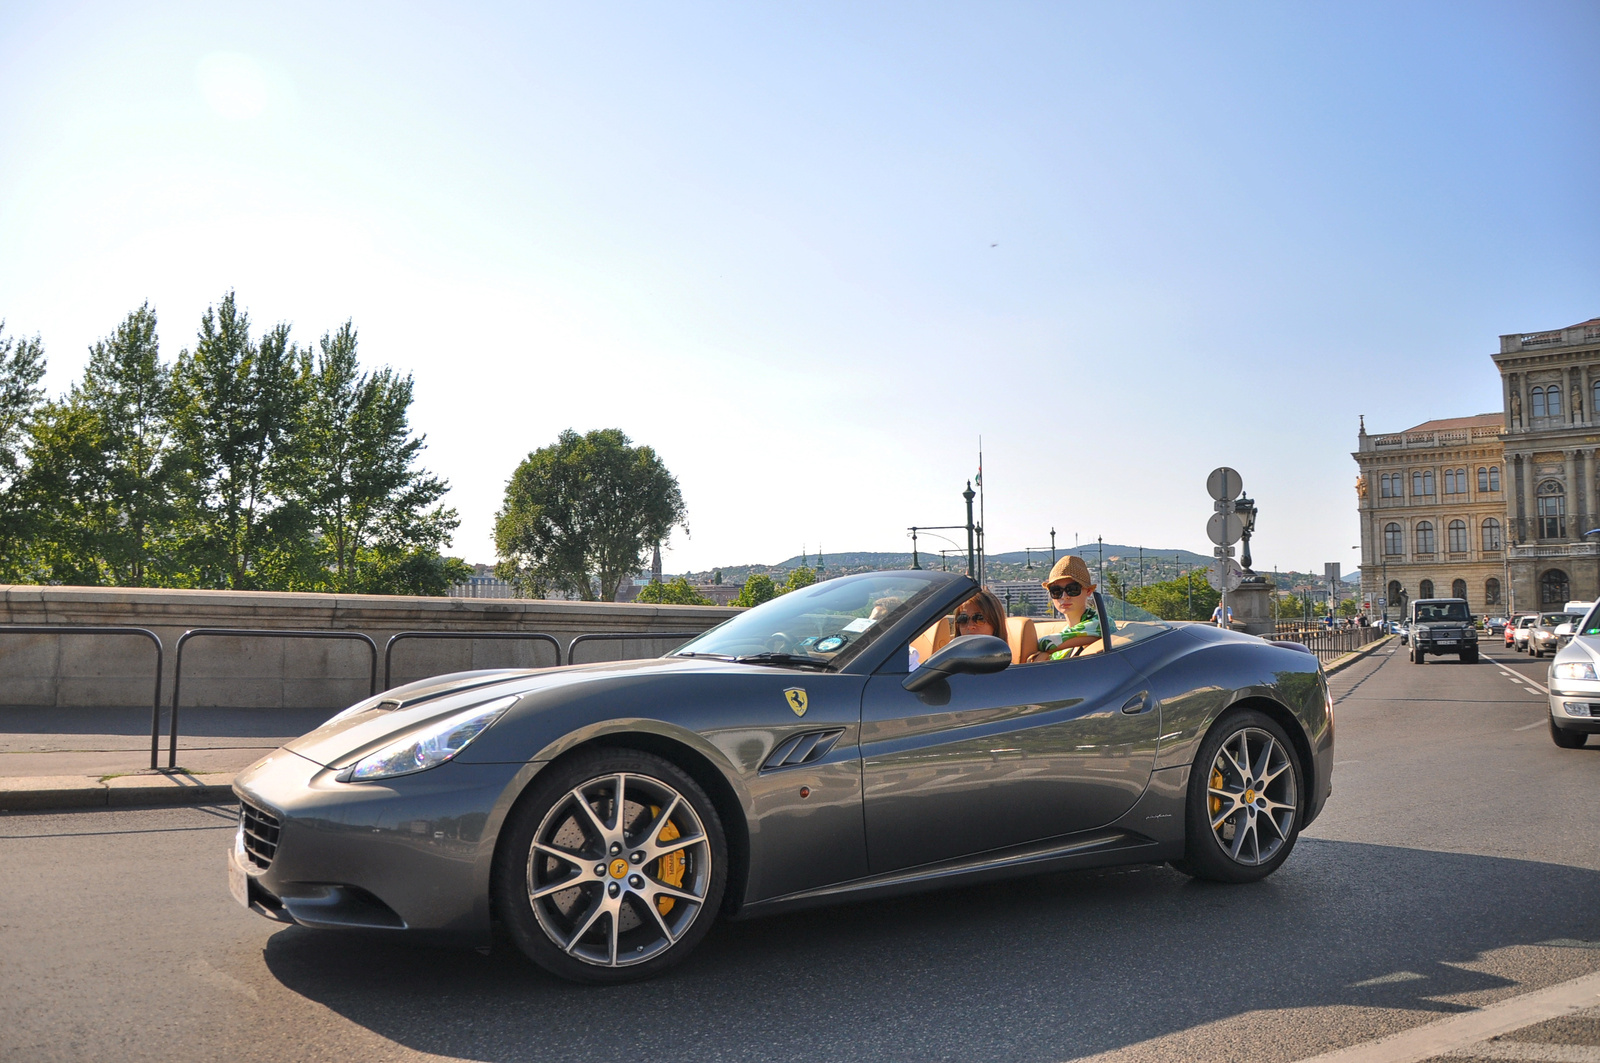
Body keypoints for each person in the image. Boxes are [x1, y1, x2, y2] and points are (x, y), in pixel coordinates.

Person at [1031, 555, 1111, 661]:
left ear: (1088, 591)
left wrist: (1043, 654)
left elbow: (1048, 643)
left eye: (1073, 589)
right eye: (1056, 591)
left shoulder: (1102, 623)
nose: (1064, 596)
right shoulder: (1069, 632)